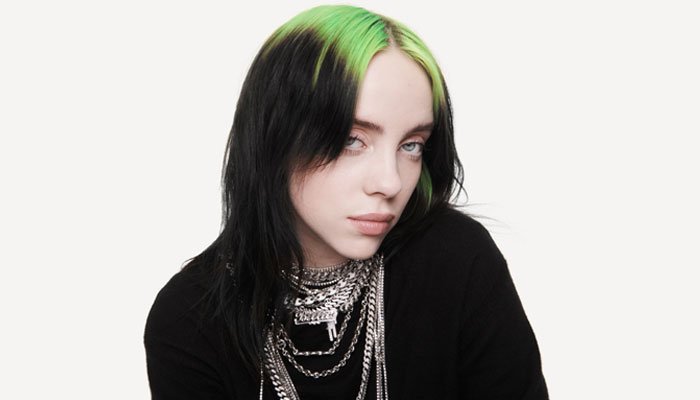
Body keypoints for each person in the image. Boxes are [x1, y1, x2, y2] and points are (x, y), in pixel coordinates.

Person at [144, 4, 548, 399]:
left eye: (411, 145)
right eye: (352, 140)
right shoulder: (190, 319)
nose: (390, 182)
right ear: (275, 135)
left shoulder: (456, 261)